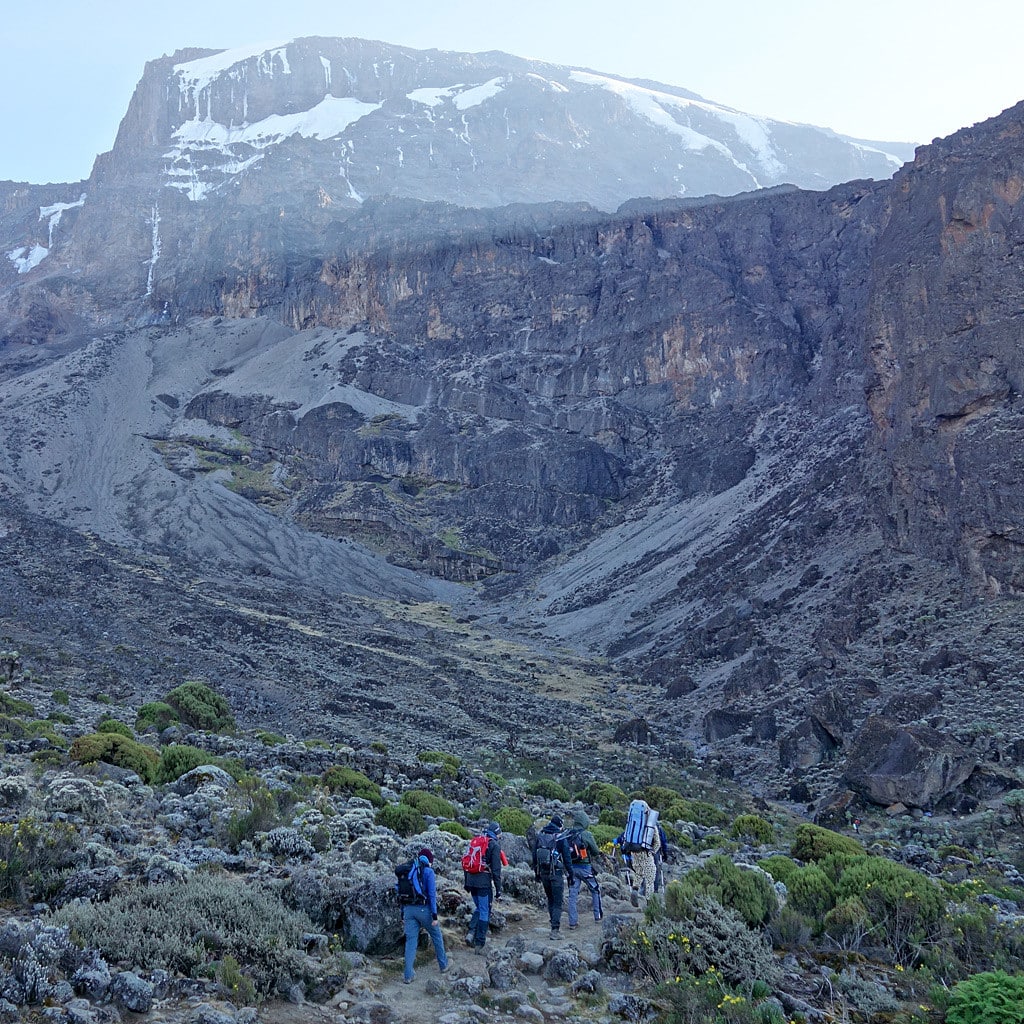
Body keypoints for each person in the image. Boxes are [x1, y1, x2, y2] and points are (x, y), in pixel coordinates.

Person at [400, 847, 448, 984]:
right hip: (423, 910)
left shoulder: (408, 870)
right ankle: (443, 964)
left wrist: (402, 913)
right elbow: (432, 895)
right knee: (436, 935)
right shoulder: (428, 872)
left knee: (411, 941)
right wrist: (434, 916)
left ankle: (408, 975)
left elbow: (401, 893)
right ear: (429, 860)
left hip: (408, 910)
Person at [531, 814, 573, 939]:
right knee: (557, 902)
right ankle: (555, 930)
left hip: (543, 873)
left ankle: (553, 924)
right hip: (556, 873)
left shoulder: (541, 836)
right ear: (560, 825)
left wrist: (536, 873)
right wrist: (570, 874)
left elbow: (534, 856)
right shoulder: (560, 838)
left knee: (550, 899)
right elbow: (567, 858)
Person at [464, 821, 503, 952]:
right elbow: (496, 871)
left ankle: (471, 933)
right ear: (497, 832)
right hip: (483, 883)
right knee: (485, 910)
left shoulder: (475, 841)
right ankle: (479, 944)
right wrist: (498, 890)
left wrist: (466, 883)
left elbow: (466, 862)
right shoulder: (494, 845)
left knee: (480, 908)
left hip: (471, 880)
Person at [565, 809, 603, 928]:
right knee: (595, 890)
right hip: (585, 868)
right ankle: (597, 916)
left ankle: (572, 922)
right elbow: (595, 851)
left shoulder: (567, 833)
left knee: (572, 895)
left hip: (571, 868)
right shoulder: (586, 835)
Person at [652, 821, 670, 893]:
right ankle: (655, 889)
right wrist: (665, 854)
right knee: (655, 869)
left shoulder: (642, 824)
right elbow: (663, 841)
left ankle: (643, 889)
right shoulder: (658, 826)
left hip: (643, 850)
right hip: (655, 850)